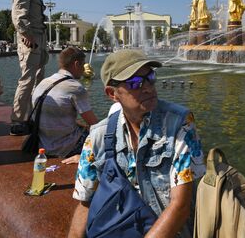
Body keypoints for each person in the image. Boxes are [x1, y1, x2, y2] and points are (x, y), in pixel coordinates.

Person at [68, 50, 206, 238]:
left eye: (150, 77)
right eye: (135, 83)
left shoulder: (179, 123)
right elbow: (85, 202)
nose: (148, 87)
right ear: (112, 93)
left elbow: (180, 206)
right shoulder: (98, 136)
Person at [31, 47, 98, 161]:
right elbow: (94, 124)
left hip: (41, 143)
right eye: (82, 65)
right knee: (104, 137)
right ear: (76, 64)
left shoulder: (44, 82)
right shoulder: (75, 87)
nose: (83, 70)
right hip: (64, 147)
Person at [10, 0, 50, 135]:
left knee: (38, 78)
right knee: (27, 79)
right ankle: (18, 120)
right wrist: (26, 34)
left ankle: (32, 115)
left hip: (39, 38)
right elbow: (18, 14)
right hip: (31, 39)